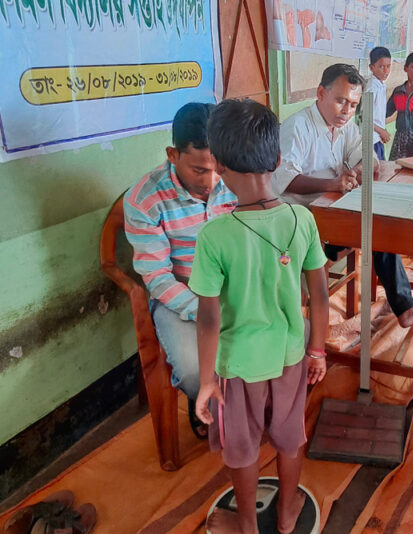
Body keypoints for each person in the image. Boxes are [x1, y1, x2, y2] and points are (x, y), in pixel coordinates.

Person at [191, 99, 329, 534]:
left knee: (243, 448)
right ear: (278, 157)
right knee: (290, 439)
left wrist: (207, 380)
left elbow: (208, 319)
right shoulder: (302, 219)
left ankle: (248, 526)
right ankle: (287, 515)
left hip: (238, 365)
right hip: (291, 355)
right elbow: (320, 294)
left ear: (218, 164)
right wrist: (317, 350)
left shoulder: (215, 235)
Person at [272, 63, 413, 327]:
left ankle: (405, 305)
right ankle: (315, 316)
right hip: (302, 217)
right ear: (321, 93)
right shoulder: (298, 127)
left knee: (380, 222)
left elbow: (367, 156)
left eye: (353, 105)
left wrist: (361, 168)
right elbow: (285, 180)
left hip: (333, 208)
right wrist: (333, 183)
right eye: (341, 101)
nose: (346, 111)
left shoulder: (346, 126)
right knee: (374, 227)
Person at [124, 102, 237, 438]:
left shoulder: (234, 178)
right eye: (199, 170)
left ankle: (241, 410)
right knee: (194, 372)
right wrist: (204, 311)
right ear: (172, 155)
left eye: (217, 169)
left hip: (233, 284)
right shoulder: (145, 200)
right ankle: (212, 406)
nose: (211, 181)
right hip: (181, 293)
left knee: (286, 339)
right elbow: (158, 278)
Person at [367, 47, 392, 161]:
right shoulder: (372, 87)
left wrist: (382, 132)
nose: (386, 71)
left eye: (388, 66)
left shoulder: (381, 85)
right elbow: (365, 118)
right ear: (372, 68)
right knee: (375, 169)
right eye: (382, 67)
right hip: (371, 140)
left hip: (378, 138)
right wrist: (382, 131)